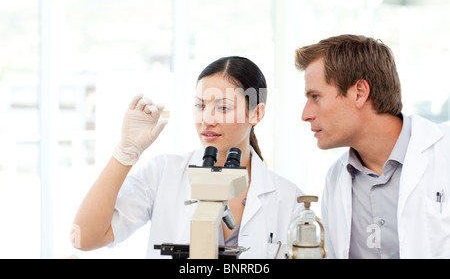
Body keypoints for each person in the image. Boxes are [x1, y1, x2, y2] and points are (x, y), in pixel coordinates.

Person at [72, 56, 304, 258]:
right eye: (200, 106)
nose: (207, 119)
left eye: (223, 108)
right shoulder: (163, 174)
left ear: (256, 113)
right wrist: (125, 152)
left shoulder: (289, 199)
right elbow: (85, 238)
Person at [295, 34, 450, 259]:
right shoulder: (336, 179)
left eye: (315, 97)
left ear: (359, 92)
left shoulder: (443, 152)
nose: (305, 115)